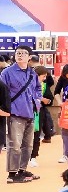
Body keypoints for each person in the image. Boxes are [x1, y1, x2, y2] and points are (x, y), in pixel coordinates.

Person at [2, 45, 41, 183]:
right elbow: (2, 91)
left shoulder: (32, 73)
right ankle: (12, 174)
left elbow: (38, 88)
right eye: (18, 53)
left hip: (30, 113)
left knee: (28, 145)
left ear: (29, 57)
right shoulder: (7, 72)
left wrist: (37, 102)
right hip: (15, 113)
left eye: (23, 53)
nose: (20, 55)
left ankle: (22, 170)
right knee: (14, 145)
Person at [29, 65, 54, 168]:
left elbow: (50, 99)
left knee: (36, 134)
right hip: (26, 112)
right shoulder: (27, 84)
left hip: (39, 112)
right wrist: (40, 99)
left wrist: (46, 100)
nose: (44, 79)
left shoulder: (44, 85)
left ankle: (33, 157)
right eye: (43, 76)